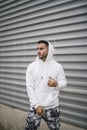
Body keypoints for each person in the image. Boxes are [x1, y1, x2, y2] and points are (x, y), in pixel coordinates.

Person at [25, 40, 67, 130]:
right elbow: (29, 87)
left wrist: (56, 84)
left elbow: (64, 83)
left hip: (52, 107)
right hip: (36, 107)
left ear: (49, 50)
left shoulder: (57, 66)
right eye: (37, 49)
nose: (38, 51)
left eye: (41, 48)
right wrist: (36, 105)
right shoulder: (31, 67)